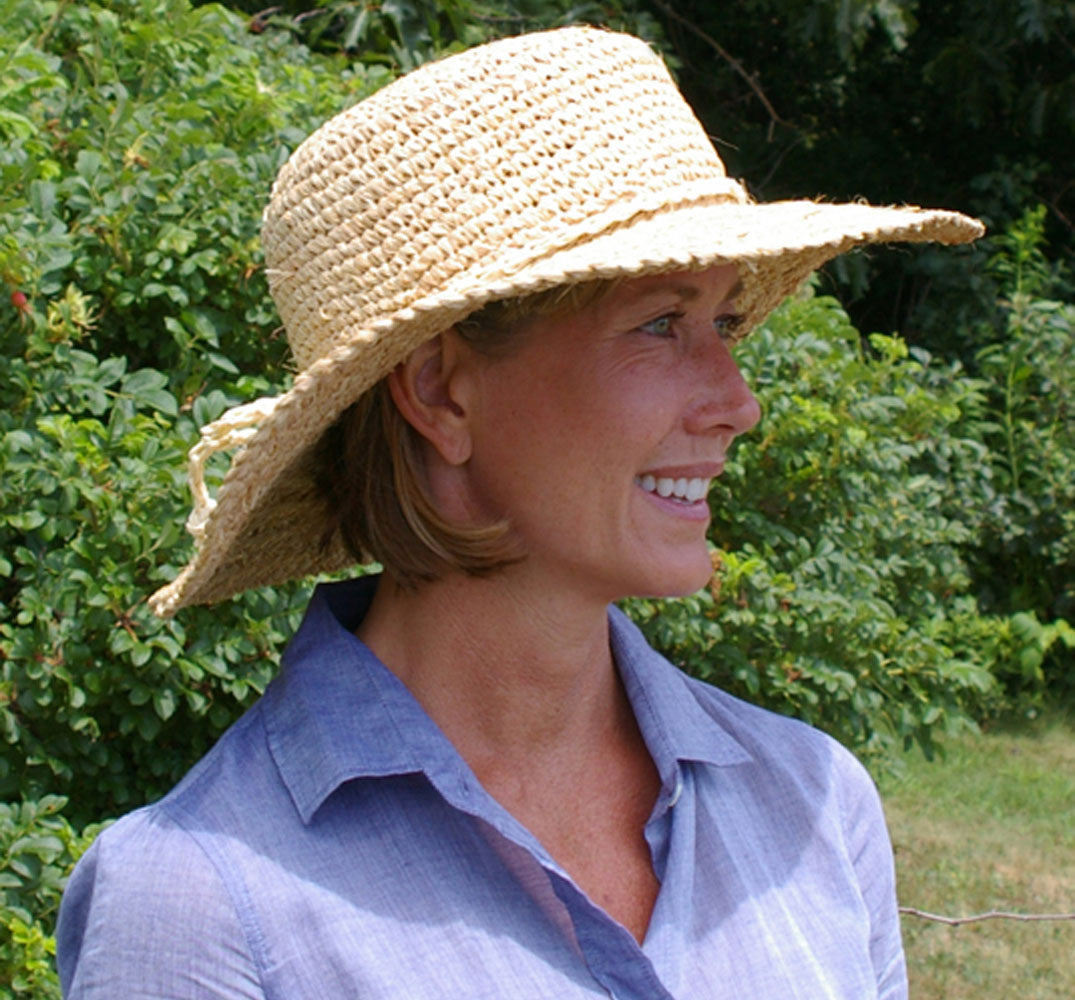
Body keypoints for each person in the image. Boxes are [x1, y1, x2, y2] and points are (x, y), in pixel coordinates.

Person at [55, 26, 982, 1000]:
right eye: (659, 323)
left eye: (726, 322)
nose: (736, 402)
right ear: (442, 395)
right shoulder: (200, 909)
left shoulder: (814, 807)